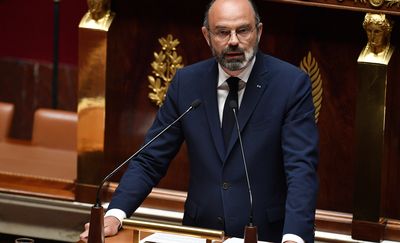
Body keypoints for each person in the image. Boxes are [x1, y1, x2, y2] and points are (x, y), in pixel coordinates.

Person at [80, 0, 319, 242]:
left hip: (266, 235)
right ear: (207, 35)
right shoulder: (187, 83)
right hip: (200, 232)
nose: (233, 40)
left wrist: (294, 237)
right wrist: (115, 214)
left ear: (259, 32)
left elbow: (301, 169)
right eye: (223, 32)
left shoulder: (290, 85)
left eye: (243, 30)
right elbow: (150, 159)